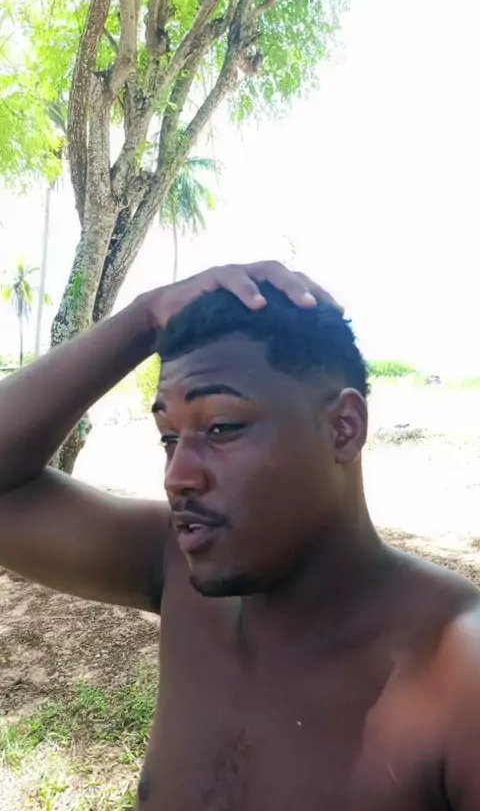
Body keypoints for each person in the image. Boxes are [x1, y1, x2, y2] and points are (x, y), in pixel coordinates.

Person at [0, 261, 479, 811]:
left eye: (221, 427)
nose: (178, 475)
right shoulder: (175, 568)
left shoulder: (456, 676)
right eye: (169, 438)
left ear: (344, 427)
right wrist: (143, 318)